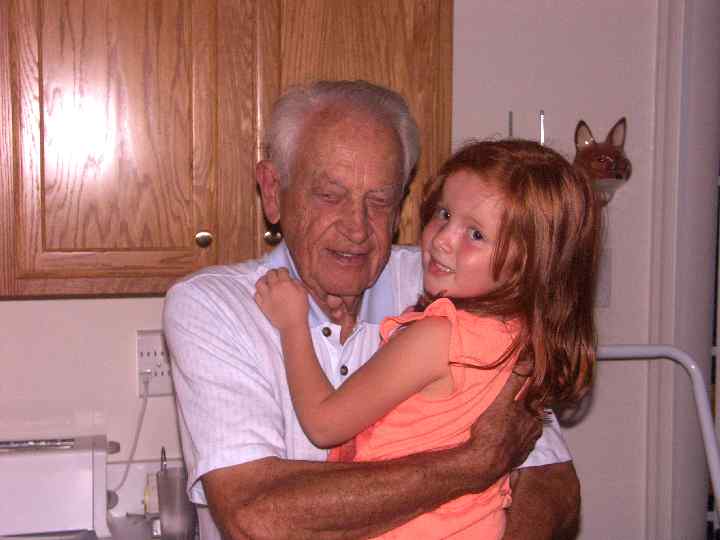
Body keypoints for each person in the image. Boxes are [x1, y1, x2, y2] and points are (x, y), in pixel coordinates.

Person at [163, 80, 581, 540]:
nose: (357, 228)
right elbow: (257, 515)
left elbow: (551, 482)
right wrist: (473, 464)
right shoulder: (214, 306)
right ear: (273, 191)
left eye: (379, 201)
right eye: (330, 196)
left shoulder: (464, 292)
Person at [253, 139, 600, 539]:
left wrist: (292, 323)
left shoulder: (437, 337)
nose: (442, 239)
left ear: (529, 262)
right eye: (444, 214)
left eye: (475, 234)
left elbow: (324, 423)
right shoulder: (525, 344)